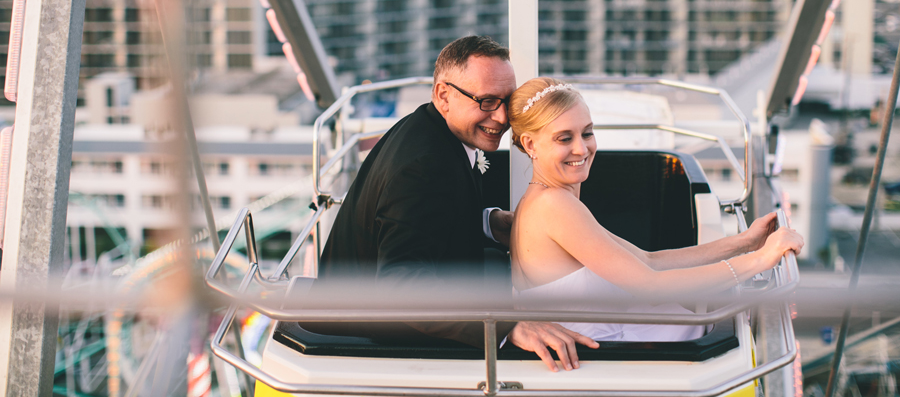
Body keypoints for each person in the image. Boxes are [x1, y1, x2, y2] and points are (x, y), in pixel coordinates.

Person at [313, 37, 598, 371]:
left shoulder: (433, 128)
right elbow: (400, 284)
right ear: (444, 96)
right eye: (488, 101)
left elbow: (428, 215)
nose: (503, 117)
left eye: (507, 100)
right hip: (373, 332)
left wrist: (491, 223)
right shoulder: (422, 166)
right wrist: (507, 328)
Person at [508, 78, 804, 343]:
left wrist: (744, 243)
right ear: (530, 144)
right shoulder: (554, 206)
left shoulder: (546, 200)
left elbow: (650, 262)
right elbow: (651, 285)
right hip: (602, 361)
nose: (582, 149)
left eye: (587, 133)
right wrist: (760, 260)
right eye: (564, 138)